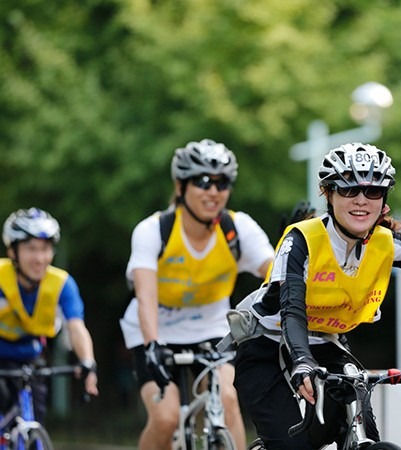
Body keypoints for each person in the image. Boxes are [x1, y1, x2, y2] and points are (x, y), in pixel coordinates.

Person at [231, 140, 401, 450]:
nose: (361, 200)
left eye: (372, 191)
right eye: (348, 189)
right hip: (267, 345)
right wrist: (302, 360)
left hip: (328, 345)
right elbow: (292, 310)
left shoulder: (385, 243)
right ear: (328, 194)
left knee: (363, 434)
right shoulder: (302, 239)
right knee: (293, 447)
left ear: (383, 199)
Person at [119, 139, 275, 450]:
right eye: (202, 182)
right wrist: (152, 345)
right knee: (164, 418)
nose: (213, 192)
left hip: (212, 327)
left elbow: (276, 273)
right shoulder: (153, 231)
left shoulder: (237, 228)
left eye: (222, 183)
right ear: (180, 186)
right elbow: (145, 295)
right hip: (155, 328)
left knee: (228, 400)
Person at [0, 207, 98, 423]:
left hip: (31, 359)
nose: (39, 258)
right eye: (31, 249)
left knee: (34, 422)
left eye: (45, 249)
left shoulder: (62, 284)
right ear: (13, 252)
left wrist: (87, 362)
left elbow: (76, 327)